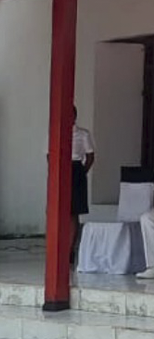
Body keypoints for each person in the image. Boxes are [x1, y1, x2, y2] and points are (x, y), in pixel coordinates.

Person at [71, 106, 95, 259]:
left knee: (74, 211)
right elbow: (48, 154)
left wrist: (81, 172)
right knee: (59, 210)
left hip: (76, 168)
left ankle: (71, 249)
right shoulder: (54, 132)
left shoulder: (83, 134)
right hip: (60, 169)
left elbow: (90, 156)